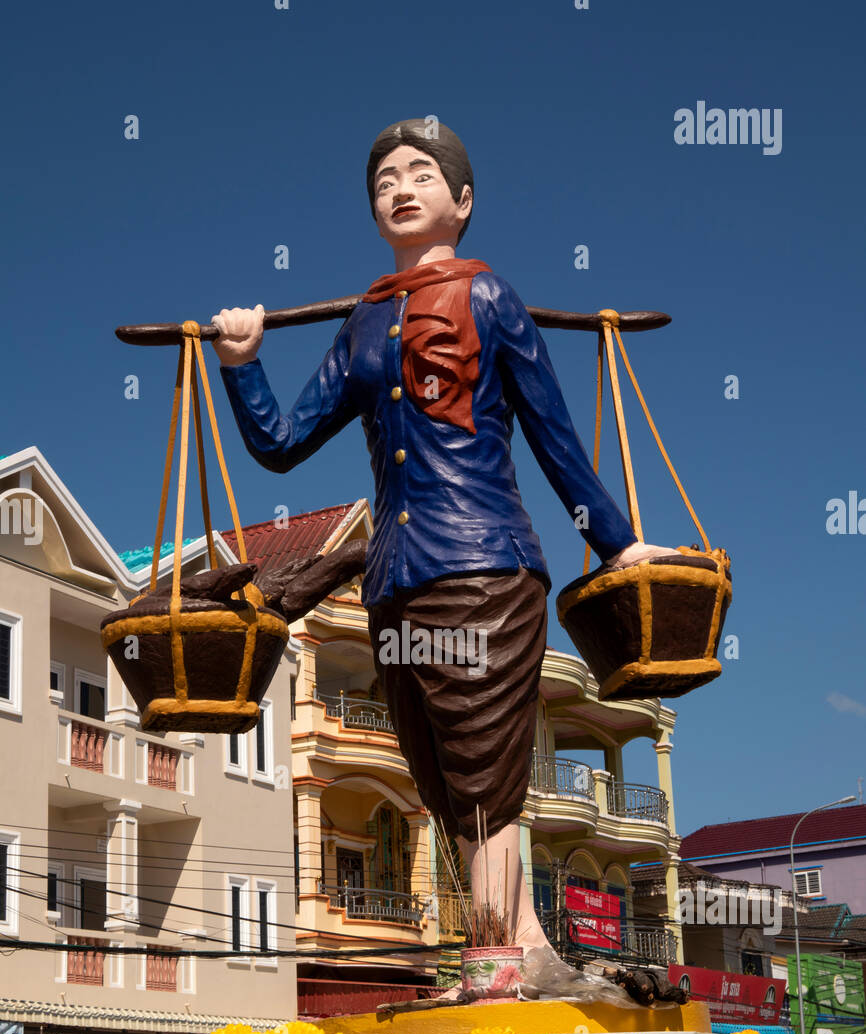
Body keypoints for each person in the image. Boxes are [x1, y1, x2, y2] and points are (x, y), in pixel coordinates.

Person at [212, 117, 678, 957]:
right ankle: (520, 946)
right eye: (385, 178)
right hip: (393, 582)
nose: (399, 187)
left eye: (421, 174)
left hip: (483, 566)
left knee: (481, 764)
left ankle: (501, 951)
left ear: (461, 201)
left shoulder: (491, 301)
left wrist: (615, 545)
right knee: (438, 772)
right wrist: (243, 362)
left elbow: (555, 438)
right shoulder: (361, 324)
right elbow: (281, 444)